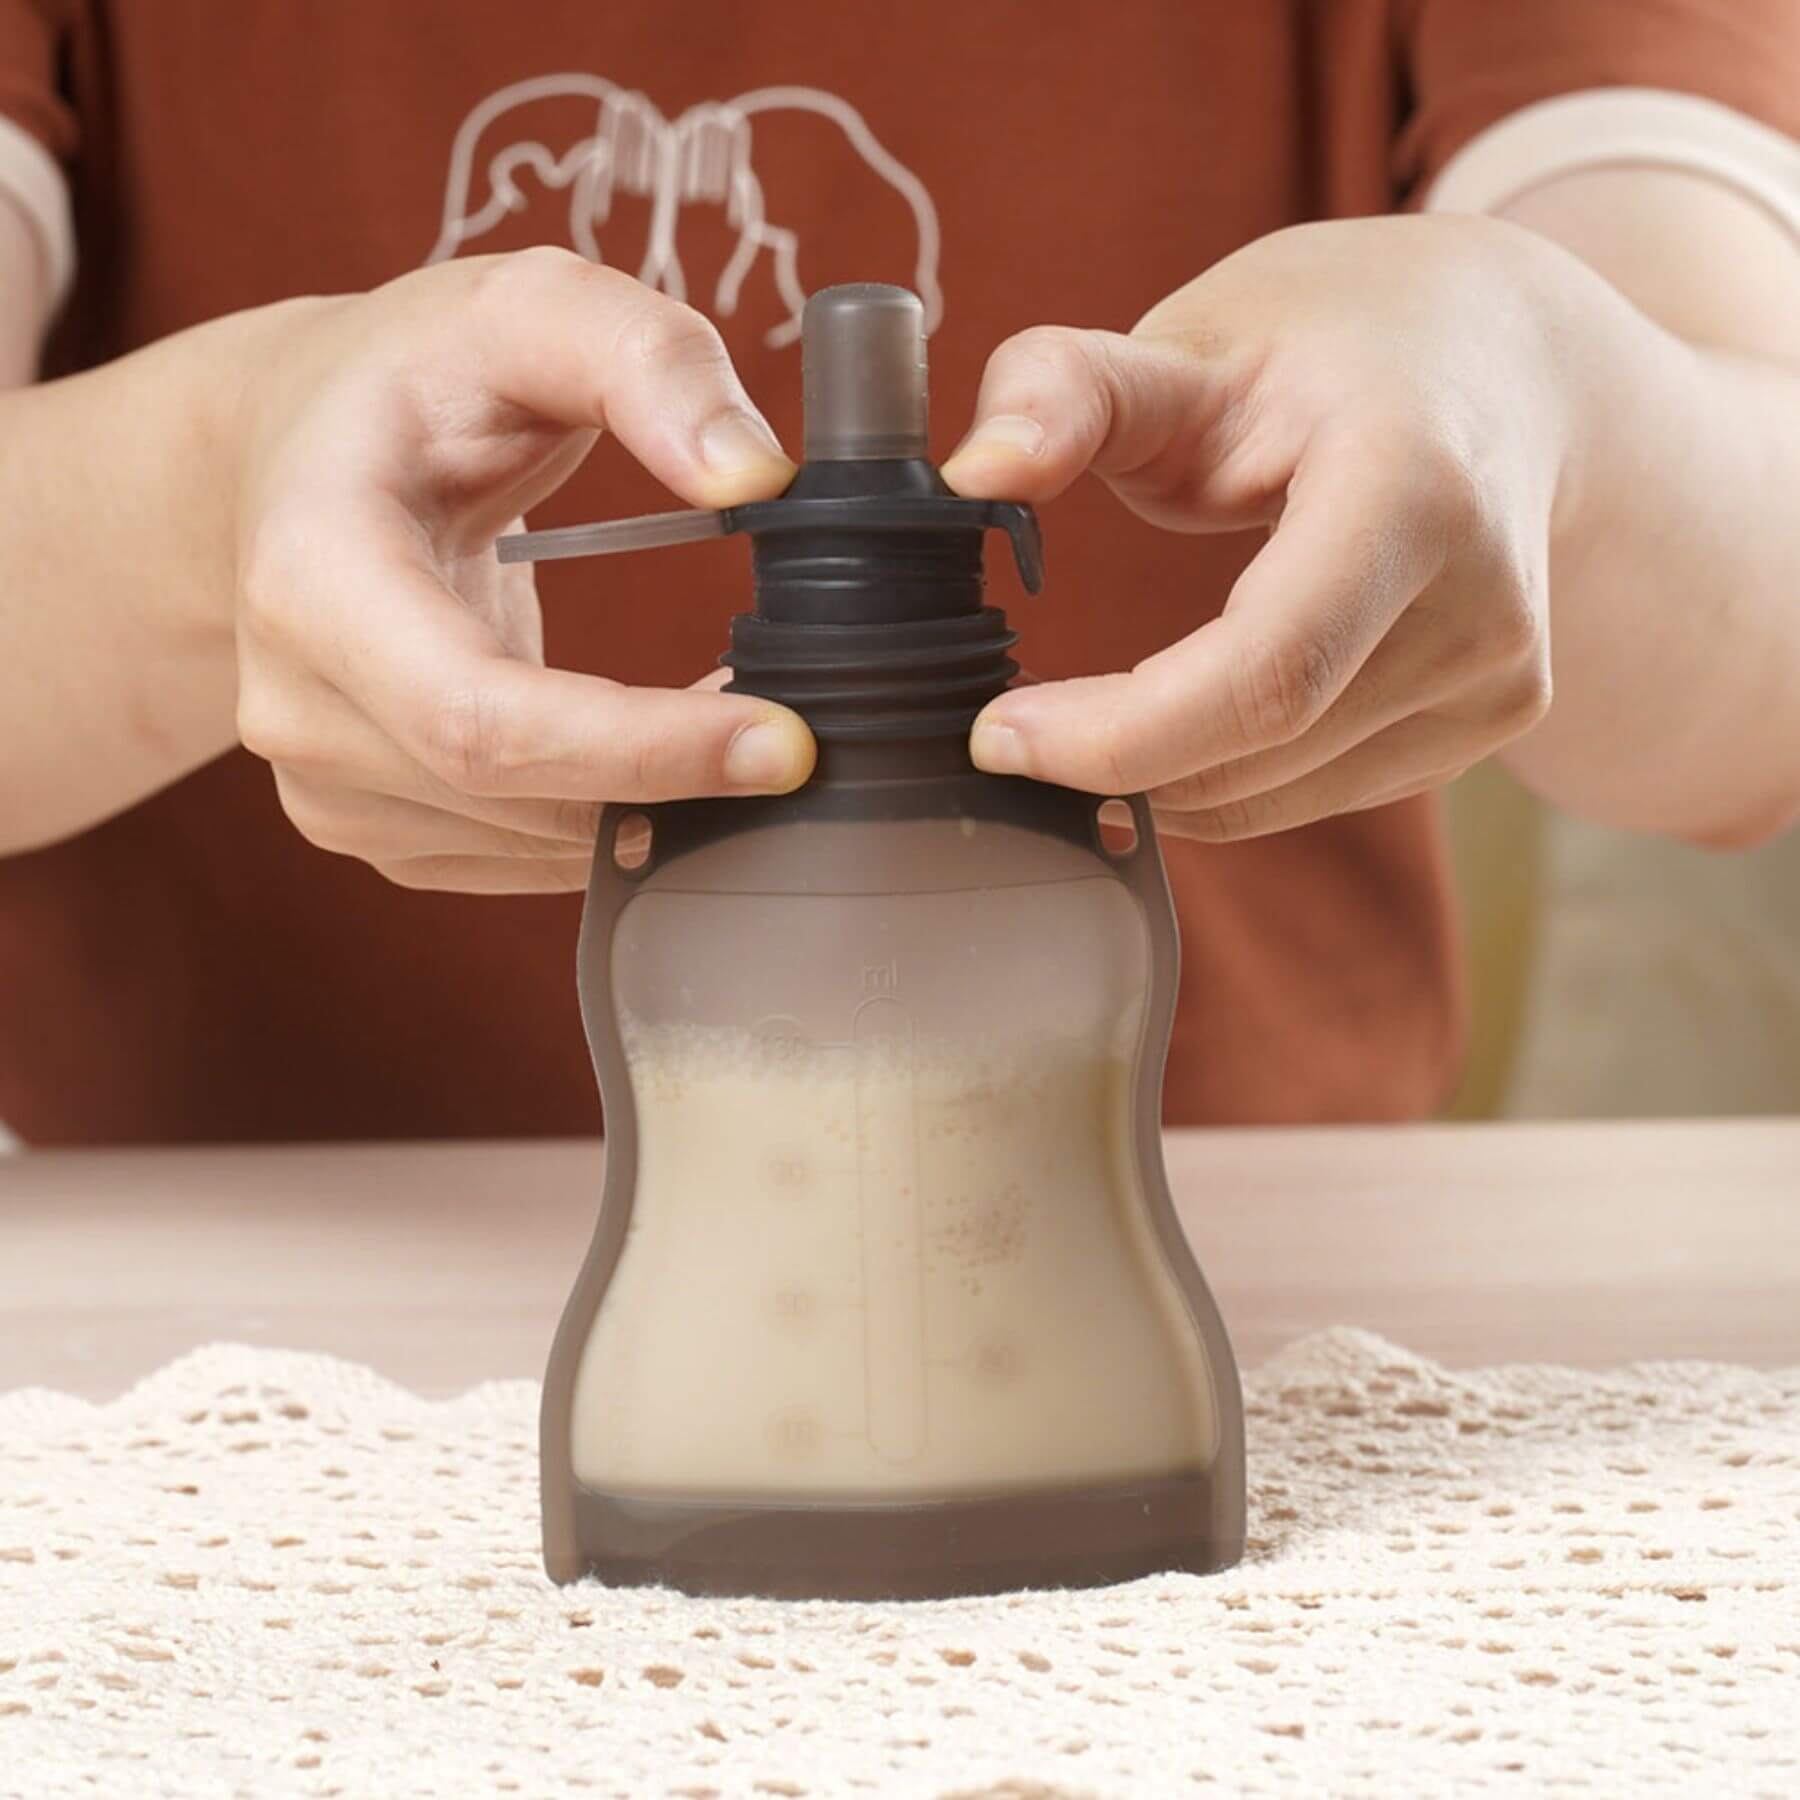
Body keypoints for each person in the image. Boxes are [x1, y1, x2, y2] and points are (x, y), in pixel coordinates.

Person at [1, 3, 1797, 1145]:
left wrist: (1553, 401)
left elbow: (1757, 646)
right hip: (249, 1328)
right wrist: (206, 498)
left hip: (1252, 1293)